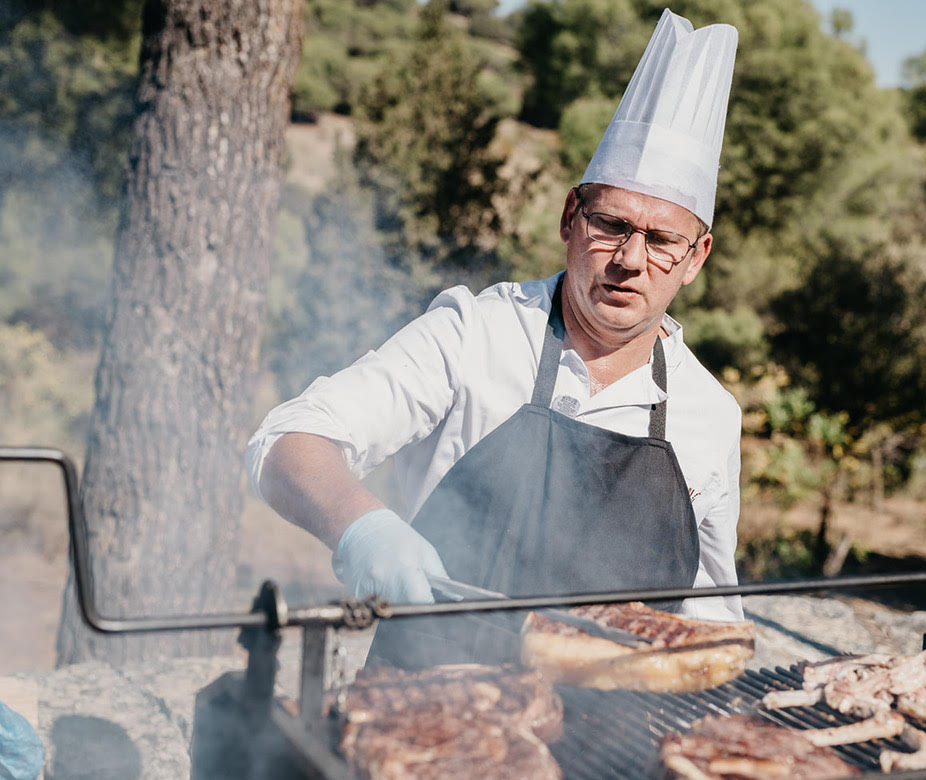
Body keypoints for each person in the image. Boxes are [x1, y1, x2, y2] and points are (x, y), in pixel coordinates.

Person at [245, 9, 742, 667]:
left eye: (661, 240)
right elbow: (288, 441)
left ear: (697, 256)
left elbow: (710, 629)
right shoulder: (475, 335)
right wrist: (363, 527)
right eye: (611, 224)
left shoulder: (709, 416)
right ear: (571, 216)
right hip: (431, 712)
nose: (628, 258)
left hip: (616, 739)